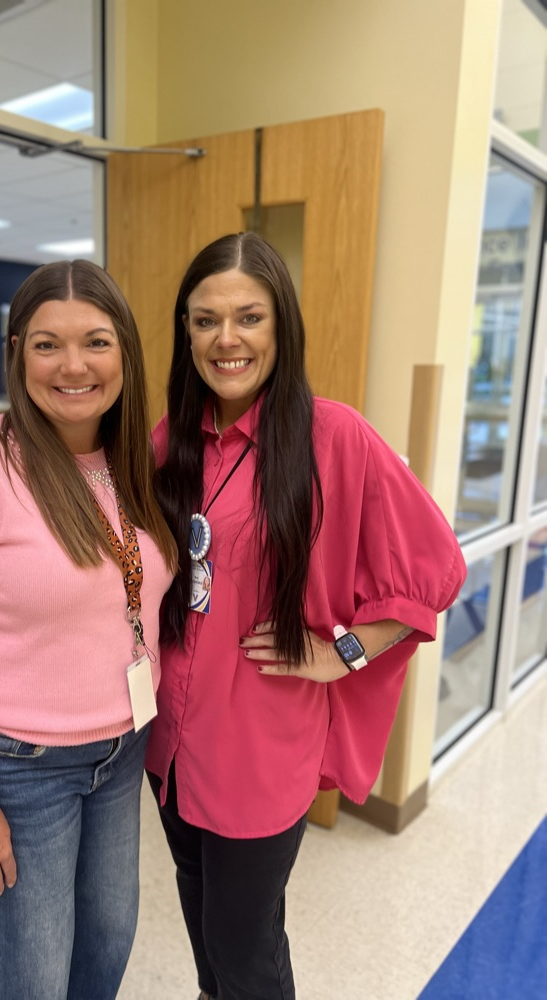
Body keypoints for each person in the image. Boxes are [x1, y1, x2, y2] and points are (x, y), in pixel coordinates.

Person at [147, 232, 467, 1000]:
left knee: (245, 950)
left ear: (281, 326)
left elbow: (436, 568)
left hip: (260, 748)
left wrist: (342, 651)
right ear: (185, 332)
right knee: (205, 934)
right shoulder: (168, 440)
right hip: (171, 742)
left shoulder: (335, 436)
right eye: (205, 320)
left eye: (249, 317)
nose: (226, 339)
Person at [0, 260, 176, 1000]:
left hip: (122, 749)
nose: (73, 365)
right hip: (21, 768)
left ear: (125, 353)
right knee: (27, 980)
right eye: (48, 344)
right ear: (18, 352)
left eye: (96, 341)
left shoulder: (135, 462)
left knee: (106, 949)